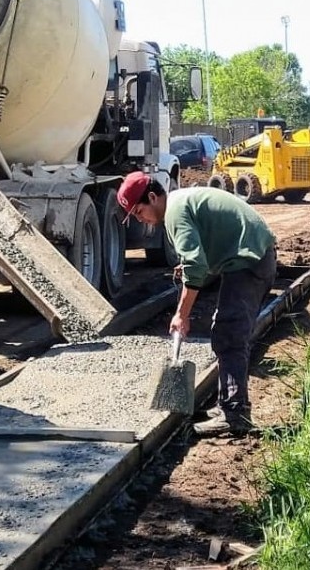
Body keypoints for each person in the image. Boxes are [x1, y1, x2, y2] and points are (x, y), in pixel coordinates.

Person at [117, 171, 277, 437]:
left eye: (138, 212)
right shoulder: (180, 202)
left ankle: (235, 414)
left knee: (230, 333)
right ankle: (227, 404)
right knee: (226, 331)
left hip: (251, 260)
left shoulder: (174, 214)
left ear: (153, 197)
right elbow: (203, 250)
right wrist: (191, 267)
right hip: (252, 255)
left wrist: (182, 314)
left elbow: (196, 265)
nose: (140, 220)